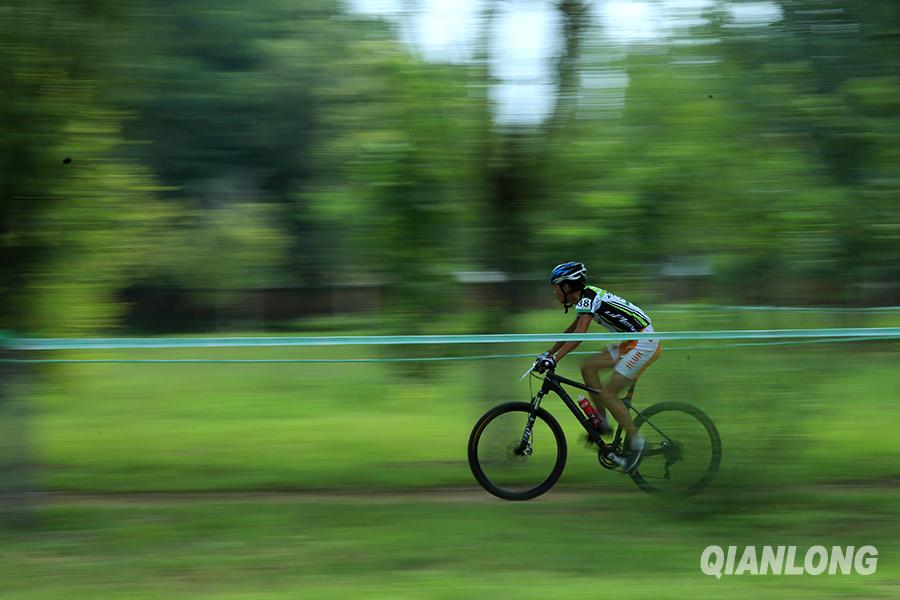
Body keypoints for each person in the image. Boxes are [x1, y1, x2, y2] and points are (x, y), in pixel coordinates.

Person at [533, 261, 661, 472]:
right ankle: (602, 421)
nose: (554, 292)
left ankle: (638, 444)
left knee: (609, 394)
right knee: (588, 368)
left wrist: (555, 359)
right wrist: (549, 353)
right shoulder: (586, 299)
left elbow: (579, 336)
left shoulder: (588, 298)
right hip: (631, 341)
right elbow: (570, 331)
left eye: (555, 287)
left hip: (644, 342)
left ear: (566, 286)